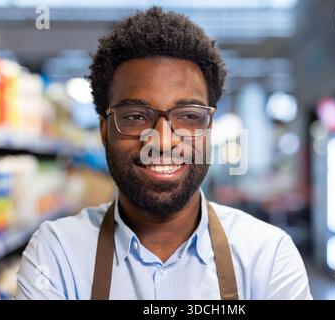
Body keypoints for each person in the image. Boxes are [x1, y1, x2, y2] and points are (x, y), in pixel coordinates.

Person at [16, 6, 312, 300]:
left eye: (189, 115)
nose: (163, 140)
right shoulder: (56, 255)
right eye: (135, 116)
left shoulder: (268, 257)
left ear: (209, 128)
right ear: (105, 130)